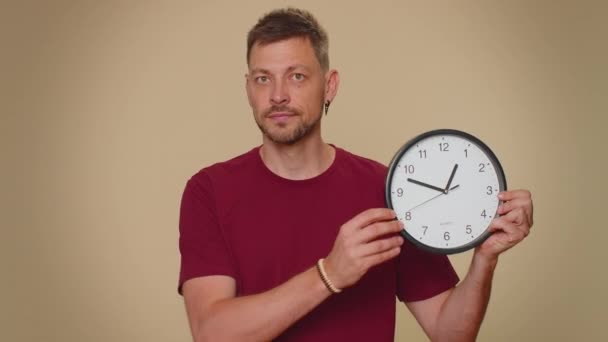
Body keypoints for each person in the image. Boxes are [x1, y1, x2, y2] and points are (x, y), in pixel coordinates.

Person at [178, 7, 533, 342]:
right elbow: (212, 332)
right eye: (262, 79)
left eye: (297, 76)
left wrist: (485, 259)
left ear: (329, 85)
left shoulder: (388, 190)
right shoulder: (209, 190)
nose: (278, 95)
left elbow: (448, 331)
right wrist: (329, 274)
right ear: (248, 89)